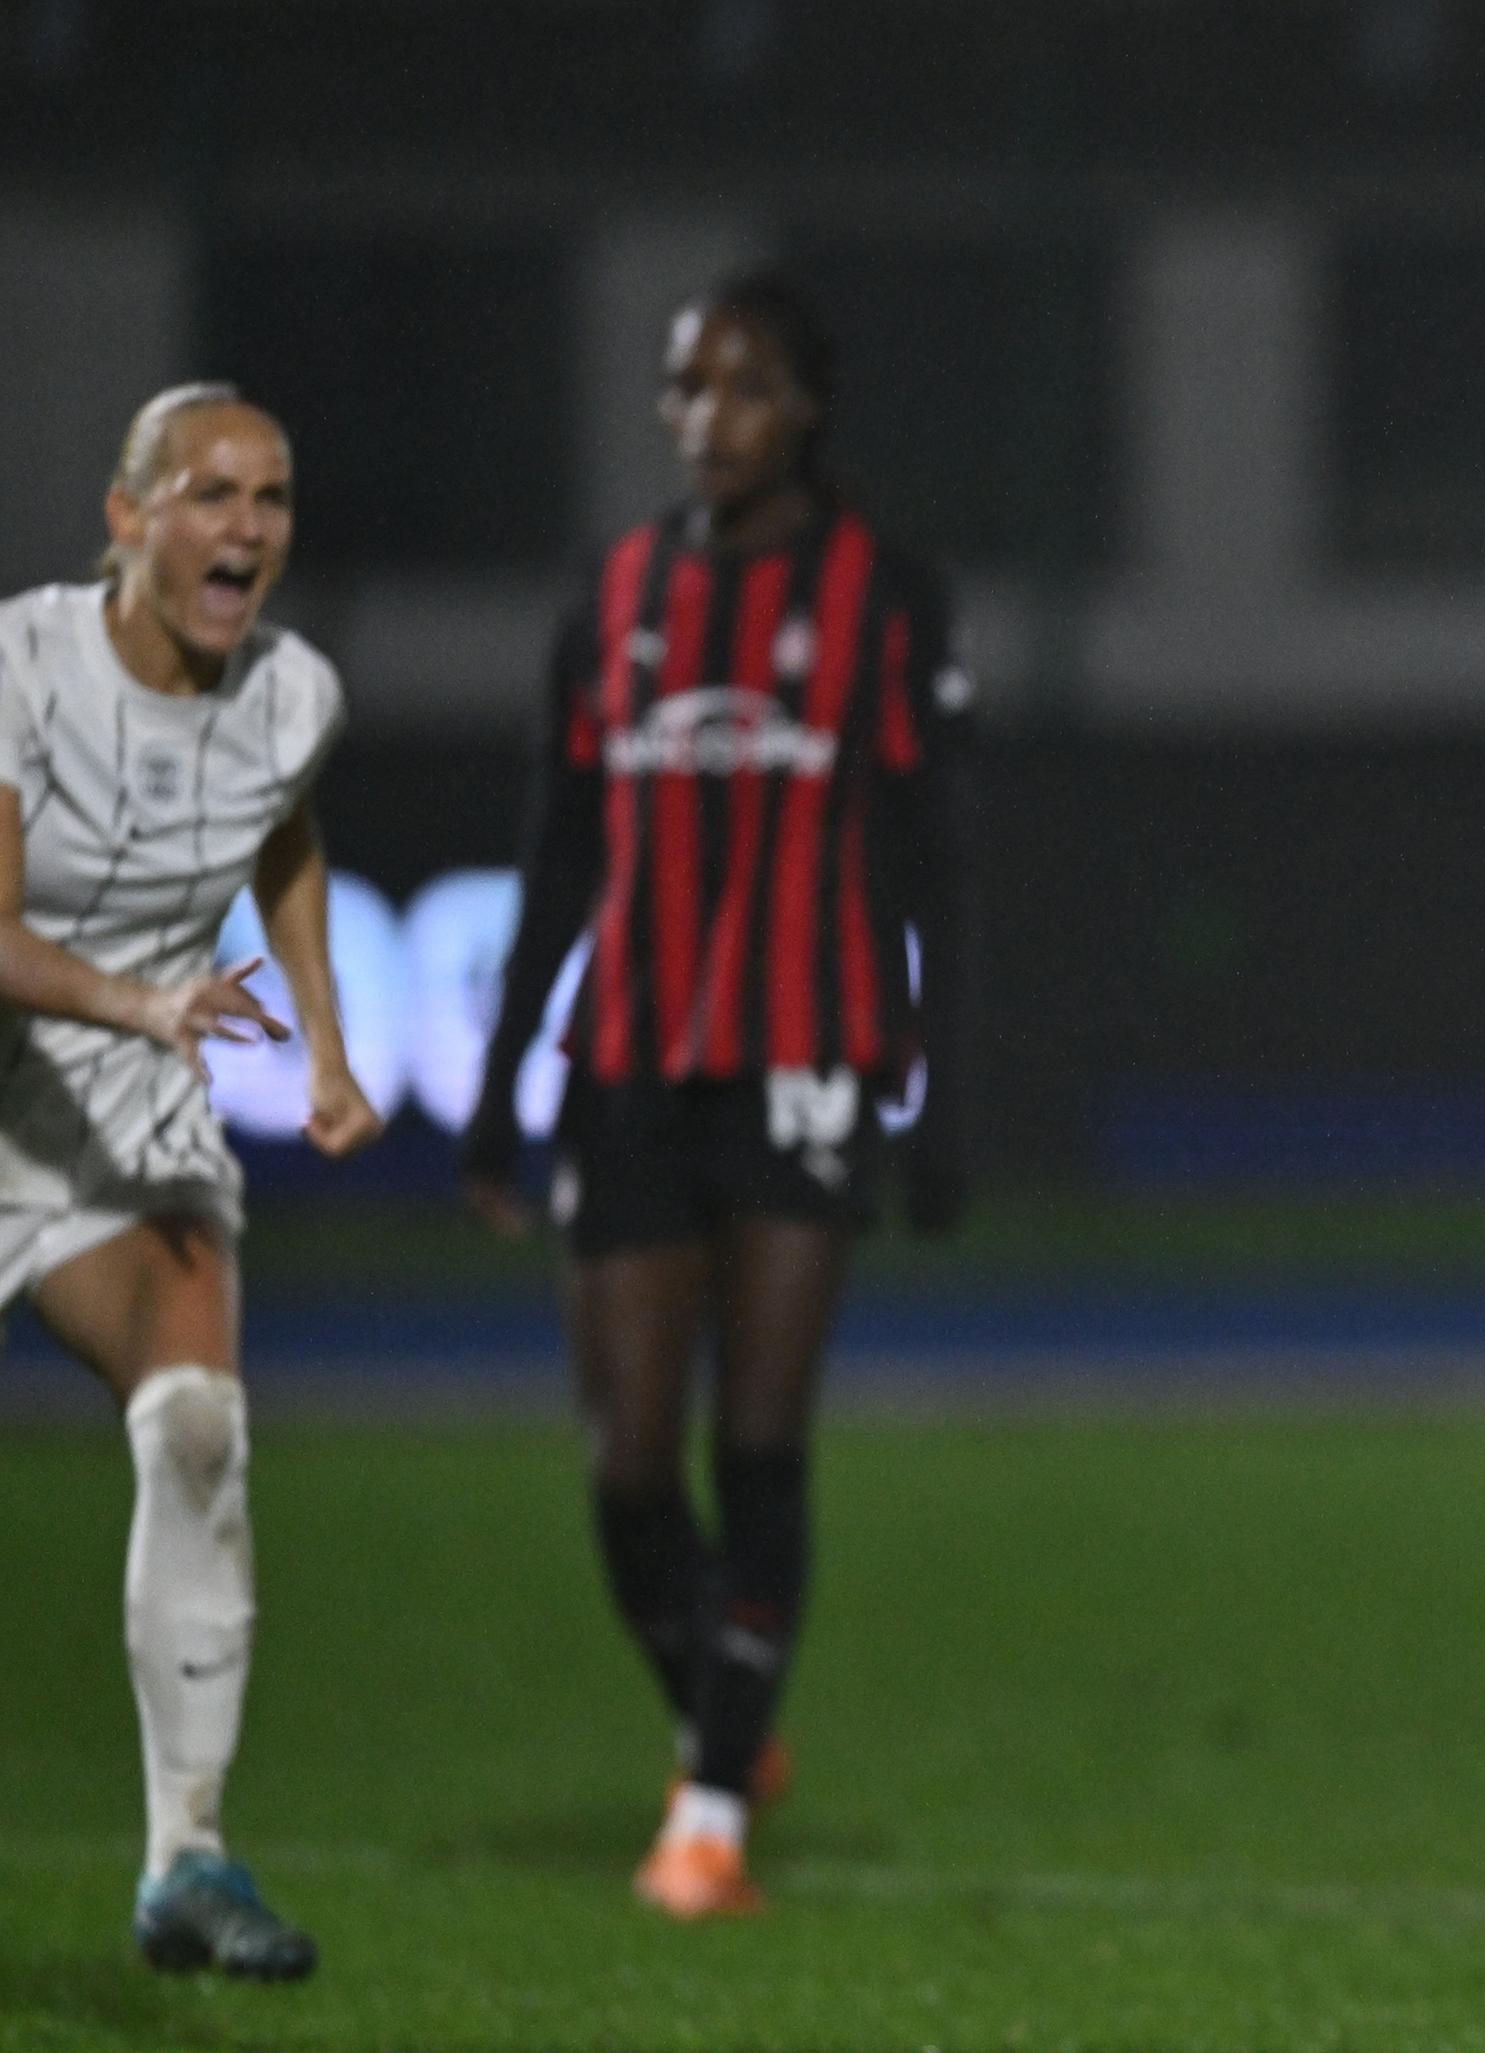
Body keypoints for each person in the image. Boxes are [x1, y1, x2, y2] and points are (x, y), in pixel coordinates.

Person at [459, 269, 973, 1922]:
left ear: (804, 406)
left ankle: (705, 1818)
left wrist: (936, 1083)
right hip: (627, 1058)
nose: (706, 418)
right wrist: (493, 1089)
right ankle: (726, 1702)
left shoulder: (883, 595)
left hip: (806, 1057)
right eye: (685, 389)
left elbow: (926, 857)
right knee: (624, 1469)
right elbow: (557, 857)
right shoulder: (608, 598)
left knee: (758, 1440)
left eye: (741, 387)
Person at [0, 382, 381, 1981]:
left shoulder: (293, 692)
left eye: (271, 498)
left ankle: (188, 1859)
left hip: (116, 1092)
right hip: (55, 1028)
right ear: (128, 516)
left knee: (198, 1420)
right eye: (209, 492)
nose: (245, 527)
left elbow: (278, 830)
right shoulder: (22, 666)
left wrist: (327, 1048)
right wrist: (154, 999)